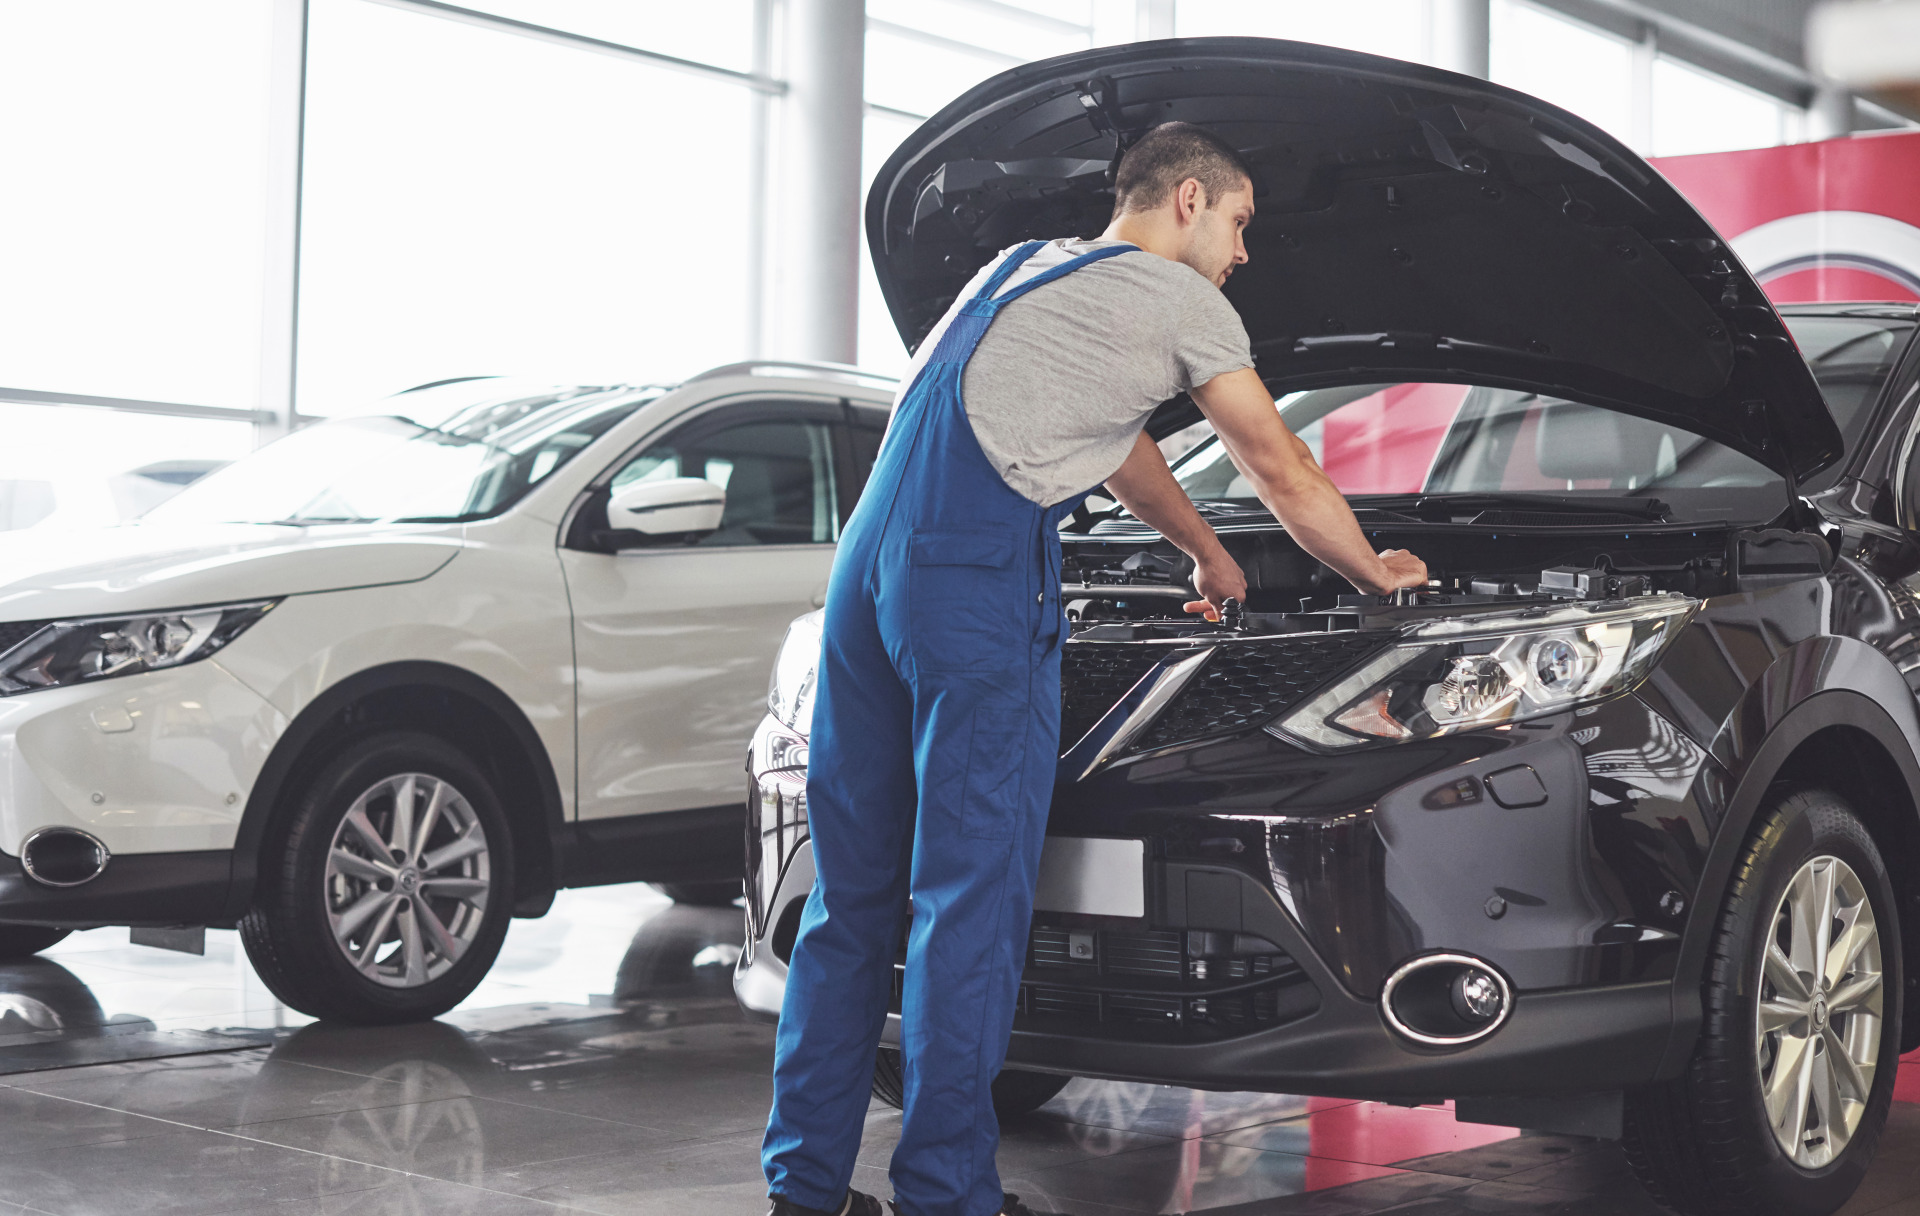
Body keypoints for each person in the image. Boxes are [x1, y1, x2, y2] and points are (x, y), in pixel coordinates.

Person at [763, 121, 1428, 1216]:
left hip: (865, 574)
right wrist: (1373, 569)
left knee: (853, 899)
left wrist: (1202, 550)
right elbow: (1281, 462)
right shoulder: (1182, 301)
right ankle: (944, 1195)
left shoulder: (1020, 269)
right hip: (970, 579)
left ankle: (804, 1188)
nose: (1244, 253)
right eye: (1240, 222)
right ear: (1187, 201)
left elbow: (1114, 441)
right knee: (965, 905)